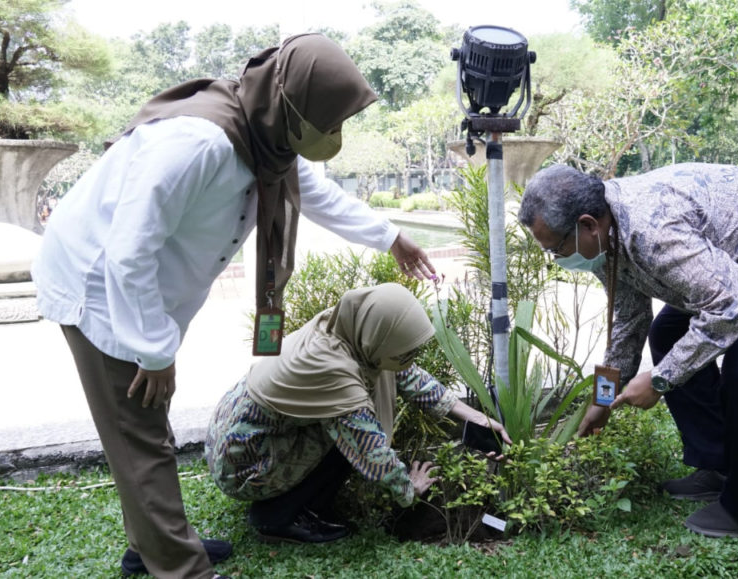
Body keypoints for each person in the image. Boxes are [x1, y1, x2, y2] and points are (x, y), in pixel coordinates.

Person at [31, 34, 435, 578]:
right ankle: (180, 567)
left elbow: (319, 195)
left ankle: (148, 547)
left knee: (147, 424)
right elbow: (126, 249)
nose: (337, 135)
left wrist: (391, 237)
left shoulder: (267, 139)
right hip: (100, 289)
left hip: (141, 289)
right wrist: (153, 350)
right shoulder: (202, 144)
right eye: (332, 123)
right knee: (140, 435)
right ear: (294, 108)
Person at [518, 163, 738, 538]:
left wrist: (660, 379)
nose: (555, 258)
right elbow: (628, 321)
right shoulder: (606, 240)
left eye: (556, 247)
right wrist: (601, 401)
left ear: (588, 224)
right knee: (668, 332)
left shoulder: (652, 232)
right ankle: (719, 466)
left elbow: (729, 307)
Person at [204, 283, 511, 543]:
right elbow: (371, 451)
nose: (410, 359)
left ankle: (302, 503)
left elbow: (409, 376)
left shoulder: (353, 331)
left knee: (352, 424)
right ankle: (277, 514)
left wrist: (475, 417)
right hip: (242, 461)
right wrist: (409, 489)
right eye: (405, 352)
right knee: (349, 437)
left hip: (239, 430)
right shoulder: (333, 370)